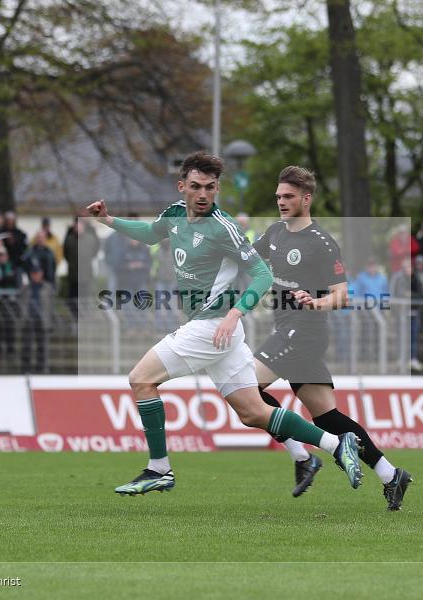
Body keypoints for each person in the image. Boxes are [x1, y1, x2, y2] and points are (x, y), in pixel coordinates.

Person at [85, 151, 363, 496]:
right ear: (182, 186)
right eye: (197, 187)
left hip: (212, 324)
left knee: (141, 379)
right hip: (218, 334)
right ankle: (337, 445)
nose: (204, 195)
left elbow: (261, 274)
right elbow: (149, 233)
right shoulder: (174, 215)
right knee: (254, 413)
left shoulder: (223, 227)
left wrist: (235, 313)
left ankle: (159, 469)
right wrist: (108, 220)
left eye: (211, 188)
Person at [252, 165, 411, 510]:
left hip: (303, 331)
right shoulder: (275, 233)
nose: (281, 201)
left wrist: (316, 301)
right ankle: (390, 474)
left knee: (246, 389)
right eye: (278, 196)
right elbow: (248, 259)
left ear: (306, 199)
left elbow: (342, 295)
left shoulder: (321, 242)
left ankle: (301, 456)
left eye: (289, 196)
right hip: (286, 329)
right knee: (327, 418)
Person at [19, 265, 54, 372]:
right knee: (27, 346)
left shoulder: (47, 287)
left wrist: (50, 320)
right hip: (29, 319)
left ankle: (41, 369)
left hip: (42, 320)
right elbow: (22, 303)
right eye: (33, 273)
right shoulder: (25, 288)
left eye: (37, 273)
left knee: (42, 346)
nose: (35, 276)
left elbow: (51, 305)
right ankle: (26, 369)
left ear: (41, 274)